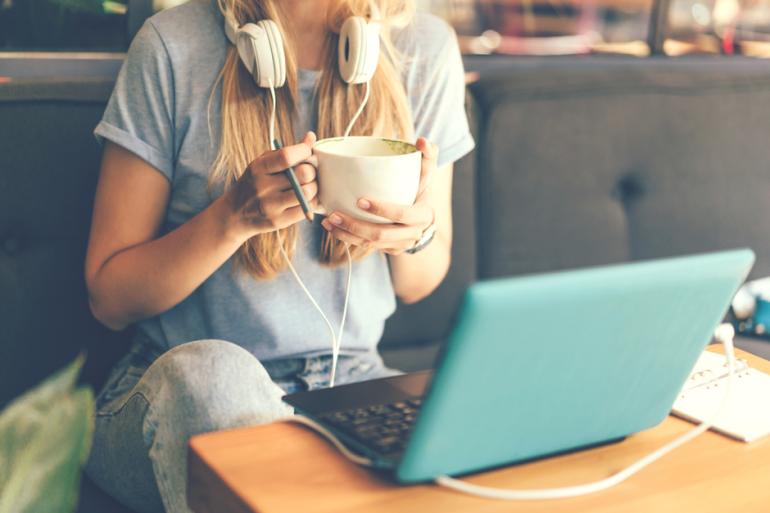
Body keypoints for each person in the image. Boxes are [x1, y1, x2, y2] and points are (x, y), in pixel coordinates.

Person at [83, 0, 474, 511]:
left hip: (349, 385)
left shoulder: (424, 48)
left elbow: (419, 279)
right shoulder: (170, 45)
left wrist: (412, 236)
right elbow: (110, 298)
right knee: (218, 377)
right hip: (173, 395)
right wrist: (231, 219)